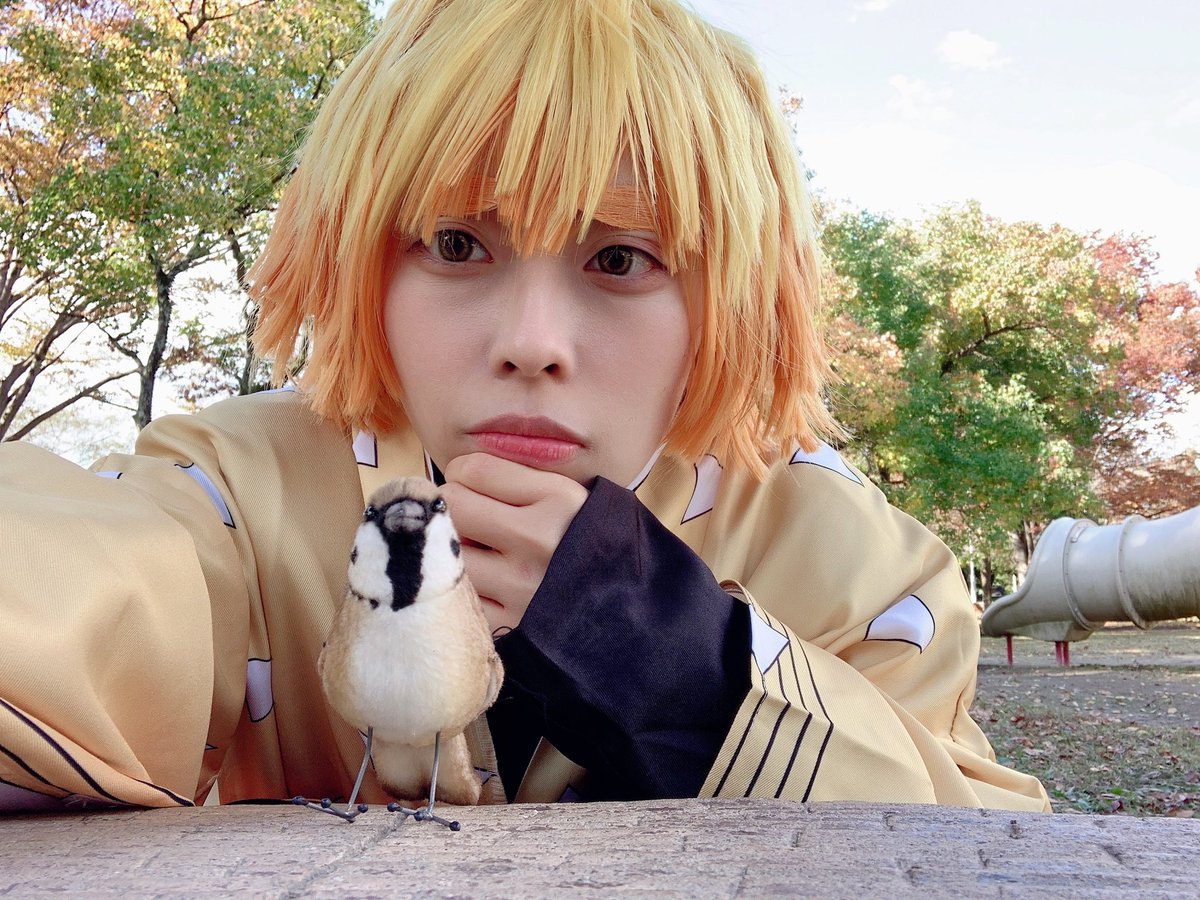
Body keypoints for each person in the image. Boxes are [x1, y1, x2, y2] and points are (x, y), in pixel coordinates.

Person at [0, 0, 1049, 813]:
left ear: (723, 302)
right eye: (457, 244)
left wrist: (693, 676)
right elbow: (93, 582)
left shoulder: (853, 564)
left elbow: (980, 842)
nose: (533, 342)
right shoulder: (240, 491)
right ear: (366, 267)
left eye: (621, 258)